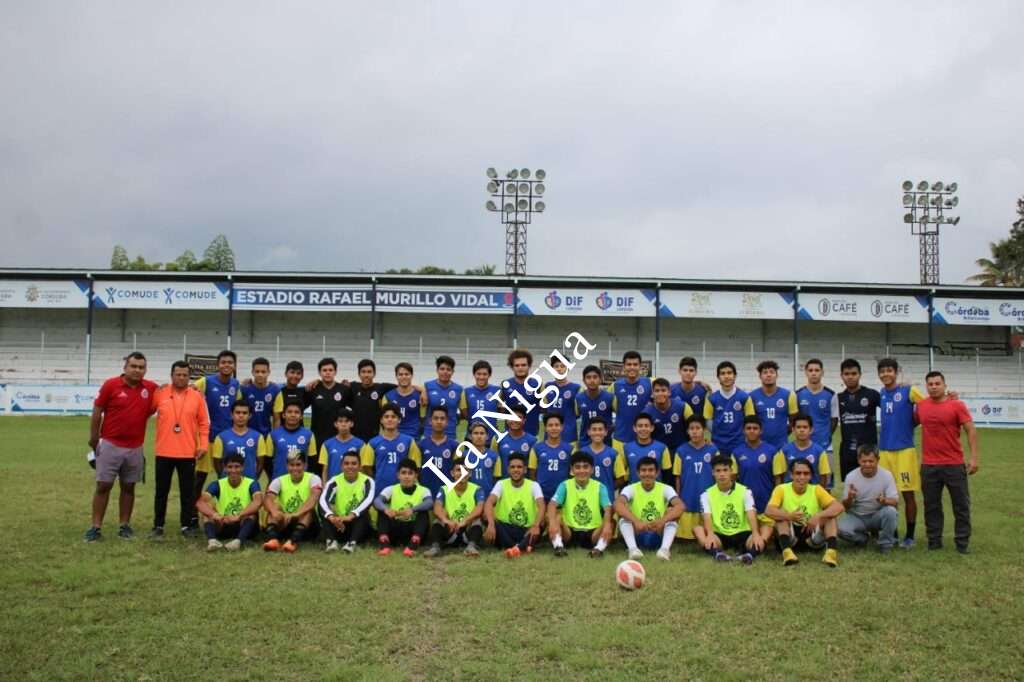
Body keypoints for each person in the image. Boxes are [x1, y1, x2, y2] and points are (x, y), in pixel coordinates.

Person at [85, 352, 158, 542]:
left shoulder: (150, 388)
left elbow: (172, 391)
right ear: (125, 367)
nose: (137, 370)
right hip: (110, 444)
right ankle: (95, 527)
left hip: (135, 447)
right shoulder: (111, 385)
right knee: (103, 485)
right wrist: (94, 437)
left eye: (141, 367)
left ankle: (124, 525)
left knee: (128, 487)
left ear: (145, 370)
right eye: (133, 366)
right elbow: (97, 410)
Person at [916, 371, 979, 554]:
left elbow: (971, 430)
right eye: (930, 384)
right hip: (929, 465)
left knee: (961, 505)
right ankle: (934, 542)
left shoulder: (957, 405)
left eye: (937, 383)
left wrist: (974, 458)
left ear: (945, 385)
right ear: (926, 386)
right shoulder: (921, 406)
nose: (934, 387)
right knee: (931, 505)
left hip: (954, 464)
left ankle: (962, 543)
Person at [151, 360, 210, 538]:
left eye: (185, 375)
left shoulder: (196, 395)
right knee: (161, 491)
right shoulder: (160, 393)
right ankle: (158, 525)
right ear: (172, 375)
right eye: (178, 374)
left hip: (187, 452)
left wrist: (203, 445)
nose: (182, 378)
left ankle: (186, 525)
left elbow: (204, 423)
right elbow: (145, 410)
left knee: (187, 492)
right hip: (163, 451)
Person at [876, 358, 925, 549]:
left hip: (905, 450)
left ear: (896, 372)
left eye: (889, 370)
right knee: (888, 495)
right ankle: (893, 533)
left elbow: (928, 406)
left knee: (907, 494)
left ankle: (910, 536)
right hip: (885, 452)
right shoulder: (881, 393)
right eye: (882, 371)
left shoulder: (908, 390)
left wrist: (913, 422)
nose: (886, 374)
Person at [766, 458, 844, 567]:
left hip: (811, 536)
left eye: (806, 473)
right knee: (781, 517)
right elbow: (768, 511)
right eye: (798, 473)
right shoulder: (781, 489)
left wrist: (818, 515)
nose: (802, 477)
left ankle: (831, 554)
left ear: (811, 476)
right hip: (791, 536)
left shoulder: (816, 489)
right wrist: (790, 516)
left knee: (830, 517)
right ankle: (787, 553)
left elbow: (839, 507)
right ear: (791, 475)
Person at [192, 350, 242, 520]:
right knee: (200, 477)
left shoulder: (236, 385)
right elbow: (188, 390)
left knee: (225, 475)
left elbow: (239, 407)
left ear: (234, 365)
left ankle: (226, 508)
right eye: (223, 362)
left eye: (230, 362)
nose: (226, 365)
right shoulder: (205, 382)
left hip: (227, 439)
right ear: (218, 364)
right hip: (207, 438)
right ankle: (192, 514)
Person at [695, 454, 765, 564]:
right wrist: (709, 535)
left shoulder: (745, 491)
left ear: (731, 471)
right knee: (698, 529)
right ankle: (718, 554)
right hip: (720, 535)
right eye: (718, 471)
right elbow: (707, 517)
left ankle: (749, 555)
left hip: (743, 533)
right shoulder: (706, 494)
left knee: (767, 528)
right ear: (713, 473)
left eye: (725, 470)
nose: (722, 474)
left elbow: (751, 514)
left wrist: (756, 534)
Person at [615, 456, 683, 561]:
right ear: (638, 473)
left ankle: (664, 550)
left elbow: (680, 506)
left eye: (651, 470)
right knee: (623, 518)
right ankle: (633, 550)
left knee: (672, 514)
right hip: (638, 532)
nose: (647, 473)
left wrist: (661, 521)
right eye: (643, 470)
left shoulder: (666, 488)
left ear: (657, 473)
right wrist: (636, 521)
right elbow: (618, 504)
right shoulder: (630, 488)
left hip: (657, 532)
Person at [547, 452, 614, 557]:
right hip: (569, 532)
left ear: (592, 469)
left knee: (610, 522)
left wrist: (606, 525)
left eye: (585, 467)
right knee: (556, 517)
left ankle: (598, 549)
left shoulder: (600, 487)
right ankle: (558, 547)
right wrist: (552, 522)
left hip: (592, 533)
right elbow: (552, 504)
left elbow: (608, 509)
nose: (581, 471)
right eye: (577, 467)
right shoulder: (565, 485)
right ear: (572, 470)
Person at [837, 446, 899, 553]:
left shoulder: (886, 475)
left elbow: (895, 501)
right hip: (857, 516)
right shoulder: (851, 477)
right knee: (839, 529)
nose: (867, 464)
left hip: (877, 515)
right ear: (858, 460)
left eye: (871, 461)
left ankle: (886, 544)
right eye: (864, 461)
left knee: (891, 512)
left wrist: (884, 501)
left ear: (877, 460)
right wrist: (850, 498)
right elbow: (845, 507)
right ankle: (862, 539)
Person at [195, 454, 262, 552]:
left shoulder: (252, 483)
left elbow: (258, 501)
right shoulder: (217, 484)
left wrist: (239, 516)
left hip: (243, 524)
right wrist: (216, 515)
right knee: (207, 511)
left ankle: (238, 542)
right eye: (230, 467)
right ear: (225, 468)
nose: (233, 470)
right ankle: (213, 541)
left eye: (237, 467)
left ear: (242, 468)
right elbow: (200, 503)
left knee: (252, 514)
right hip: (223, 523)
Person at [484, 453, 545, 557]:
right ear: (508, 469)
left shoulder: (534, 485)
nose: (516, 470)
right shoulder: (501, 484)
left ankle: (515, 548)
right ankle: (521, 547)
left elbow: (542, 506)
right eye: (512, 467)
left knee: (542, 523)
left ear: (525, 470)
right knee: (488, 518)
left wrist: (535, 525)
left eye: (519, 467)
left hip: (526, 529)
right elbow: (489, 502)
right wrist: (490, 524)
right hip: (505, 528)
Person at [262, 451, 324, 553]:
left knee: (308, 511)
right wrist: (275, 512)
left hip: (308, 525)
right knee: (275, 507)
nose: (295, 468)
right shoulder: (279, 480)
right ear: (287, 466)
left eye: (298, 465)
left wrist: (296, 514)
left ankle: (293, 542)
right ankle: (273, 540)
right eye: (292, 465)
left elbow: (313, 498)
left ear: (304, 465)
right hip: (286, 522)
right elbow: (267, 499)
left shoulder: (314, 478)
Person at [424, 459, 485, 557]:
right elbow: (437, 507)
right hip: (450, 529)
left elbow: (479, 508)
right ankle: (435, 547)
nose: (462, 473)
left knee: (477, 520)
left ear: (470, 474)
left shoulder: (477, 489)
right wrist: (446, 520)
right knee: (438, 521)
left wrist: (465, 521)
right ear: (452, 473)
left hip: (467, 529)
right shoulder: (444, 489)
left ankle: (471, 547)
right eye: (458, 470)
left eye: (466, 470)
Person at [731, 415, 777, 548]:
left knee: (768, 532)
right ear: (743, 431)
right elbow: (733, 480)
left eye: (755, 428)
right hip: (746, 504)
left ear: (761, 431)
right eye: (748, 428)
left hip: (766, 501)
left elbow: (778, 479)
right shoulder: (737, 452)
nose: (752, 431)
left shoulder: (772, 451)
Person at [673, 415, 719, 542]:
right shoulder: (681, 451)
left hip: (708, 494)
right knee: (686, 539)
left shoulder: (713, 450)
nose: (694, 431)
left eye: (697, 428)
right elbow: (677, 476)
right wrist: (678, 496)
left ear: (704, 430)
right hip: (688, 495)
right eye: (691, 428)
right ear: (687, 431)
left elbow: (718, 474)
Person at [319, 450, 375, 553]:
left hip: (356, 524)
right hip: (338, 523)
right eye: (346, 463)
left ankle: (351, 543)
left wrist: (351, 516)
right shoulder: (334, 481)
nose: (350, 466)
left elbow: (368, 499)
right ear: (341, 466)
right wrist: (332, 517)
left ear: (359, 466)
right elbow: (323, 500)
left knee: (363, 513)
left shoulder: (368, 481)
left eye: (354, 463)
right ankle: (332, 542)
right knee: (323, 510)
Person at [374, 458, 433, 557]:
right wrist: (386, 509)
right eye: (403, 473)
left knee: (423, 513)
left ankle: (413, 545)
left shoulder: (424, 490)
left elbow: (430, 502)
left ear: (416, 476)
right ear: (398, 475)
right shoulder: (391, 489)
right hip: (396, 529)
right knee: (382, 512)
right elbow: (377, 501)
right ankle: (385, 545)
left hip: (412, 530)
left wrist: (412, 510)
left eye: (410, 473)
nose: (406, 476)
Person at [835, 359, 880, 481]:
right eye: (847, 374)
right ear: (841, 376)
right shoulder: (838, 398)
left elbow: (890, 407)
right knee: (850, 487)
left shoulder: (872, 395)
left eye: (854, 374)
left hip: (869, 451)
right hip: (847, 451)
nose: (850, 377)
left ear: (860, 374)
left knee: (872, 485)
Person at [360, 403, 421, 491]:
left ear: (399, 420)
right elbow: (366, 466)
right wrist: (376, 480)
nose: (390, 419)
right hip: (380, 489)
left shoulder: (409, 441)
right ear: (381, 420)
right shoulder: (373, 443)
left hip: (403, 490)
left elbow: (416, 466)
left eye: (393, 417)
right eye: (386, 417)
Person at [796, 358, 837, 486]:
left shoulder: (831, 394)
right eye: (811, 370)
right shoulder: (798, 394)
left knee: (826, 484)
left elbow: (834, 419)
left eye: (817, 370)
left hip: (825, 446)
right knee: (804, 482)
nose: (814, 373)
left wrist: (826, 435)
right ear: (806, 373)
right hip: (803, 446)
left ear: (822, 373)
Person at [304, 357, 348, 475]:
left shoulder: (343, 390)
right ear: (320, 372)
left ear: (335, 372)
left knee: (337, 467)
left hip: (337, 436)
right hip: (317, 436)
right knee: (316, 470)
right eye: (324, 370)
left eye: (330, 370)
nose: (327, 372)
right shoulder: (313, 389)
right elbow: (298, 406)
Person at [744, 360, 798, 450]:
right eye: (765, 372)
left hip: (781, 445)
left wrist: (782, 433)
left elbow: (794, 420)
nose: (768, 375)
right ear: (760, 376)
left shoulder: (788, 395)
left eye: (772, 372)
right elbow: (749, 422)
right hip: (759, 446)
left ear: (777, 375)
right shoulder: (752, 397)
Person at [341, 358, 397, 441]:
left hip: (374, 436)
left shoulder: (381, 388)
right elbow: (334, 386)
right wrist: (316, 382)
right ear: (359, 374)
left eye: (369, 372)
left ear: (374, 374)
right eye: (363, 372)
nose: (366, 375)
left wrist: (422, 391)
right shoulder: (353, 387)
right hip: (355, 436)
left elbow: (403, 386)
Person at [259, 401, 317, 480]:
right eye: (289, 412)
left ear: (301, 416)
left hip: (301, 481)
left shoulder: (309, 435)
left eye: (296, 412)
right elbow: (267, 461)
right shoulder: (273, 435)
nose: (293, 415)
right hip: (278, 480)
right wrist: (274, 477)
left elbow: (312, 460)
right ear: (283, 415)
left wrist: (305, 479)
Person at [703, 361, 749, 457]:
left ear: (735, 376)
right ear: (718, 377)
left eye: (729, 373)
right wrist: (719, 434)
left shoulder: (744, 397)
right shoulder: (712, 399)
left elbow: (749, 420)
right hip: (718, 444)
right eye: (723, 373)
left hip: (739, 444)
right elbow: (708, 421)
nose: (726, 376)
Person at [773, 414, 832, 488]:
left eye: (805, 427)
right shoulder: (784, 451)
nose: (802, 430)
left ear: (811, 430)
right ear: (793, 430)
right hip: (790, 496)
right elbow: (779, 477)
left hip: (811, 496)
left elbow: (823, 477)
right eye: (798, 427)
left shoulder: (820, 452)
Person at [613, 414, 671, 486]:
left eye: (646, 426)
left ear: (652, 428)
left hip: (656, 492)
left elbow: (667, 474)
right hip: (634, 492)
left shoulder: (662, 448)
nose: (643, 429)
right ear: (634, 428)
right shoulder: (626, 448)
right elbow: (622, 473)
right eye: (640, 426)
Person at [610, 350, 652, 446]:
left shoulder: (649, 383)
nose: (632, 367)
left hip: (644, 439)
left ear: (640, 366)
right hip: (620, 439)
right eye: (629, 364)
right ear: (624, 367)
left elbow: (666, 389)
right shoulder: (615, 386)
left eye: (635, 364)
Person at [210, 402, 261, 479]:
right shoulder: (221, 437)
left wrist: (254, 478)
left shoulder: (258, 437)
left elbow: (261, 463)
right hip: (228, 483)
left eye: (244, 413)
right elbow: (217, 462)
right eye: (237, 412)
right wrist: (223, 478)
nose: (241, 415)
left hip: (250, 482)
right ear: (231, 415)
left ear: (249, 416)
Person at [528, 413, 573, 502]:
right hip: (542, 496)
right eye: (550, 425)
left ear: (562, 427)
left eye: (557, 425)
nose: (554, 428)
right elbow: (532, 473)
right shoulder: (537, 448)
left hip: (562, 495)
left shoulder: (570, 449)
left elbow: (572, 475)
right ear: (545, 428)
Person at [417, 406, 459, 499]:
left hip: (447, 492)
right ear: (430, 421)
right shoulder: (421, 445)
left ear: (447, 422)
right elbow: (417, 470)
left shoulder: (454, 445)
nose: (439, 421)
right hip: (425, 492)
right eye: (436, 418)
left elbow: (457, 472)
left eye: (442, 419)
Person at [642, 377, 692, 454]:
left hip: (681, 450)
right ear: (652, 394)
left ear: (669, 392)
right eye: (657, 391)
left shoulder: (683, 407)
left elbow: (693, 427)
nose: (660, 393)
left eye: (663, 390)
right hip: (659, 451)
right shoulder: (647, 412)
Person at [578, 418, 621, 500]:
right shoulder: (581, 453)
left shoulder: (613, 453)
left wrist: (609, 488)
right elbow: (575, 476)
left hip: (607, 499)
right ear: (588, 432)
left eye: (600, 429)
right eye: (594, 429)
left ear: (606, 432)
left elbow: (620, 478)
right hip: (586, 497)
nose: (597, 432)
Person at [317, 406, 365, 481]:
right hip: (333, 487)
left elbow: (362, 470)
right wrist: (325, 488)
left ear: (352, 424)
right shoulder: (327, 445)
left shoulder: (360, 444)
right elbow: (325, 470)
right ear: (335, 424)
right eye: (340, 421)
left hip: (353, 486)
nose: (343, 424)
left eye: (346, 421)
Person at [543, 354, 581, 445]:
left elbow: (578, 413)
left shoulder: (576, 388)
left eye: (563, 366)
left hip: (569, 436)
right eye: (556, 366)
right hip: (549, 436)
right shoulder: (547, 387)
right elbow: (544, 410)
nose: (559, 369)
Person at [423, 355, 463, 440]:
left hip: (450, 434)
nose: (445, 372)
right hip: (430, 433)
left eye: (448, 369)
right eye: (442, 369)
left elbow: (464, 411)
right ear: (437, 370)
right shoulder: (427, 386)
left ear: (453, 372)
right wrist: (422, 390)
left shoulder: (459, 389)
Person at [503, 349, 541, 436]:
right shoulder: (505, 385)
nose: (520, 368)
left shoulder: (537, 385)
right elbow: (498, 408)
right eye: (517, 365)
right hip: (509, 436)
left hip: (532, 435)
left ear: (529, 366)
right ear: (512, 367)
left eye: (523, 365)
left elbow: (545, 409)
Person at [240, 357, 280, 437]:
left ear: (268, 372)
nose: (260, 374)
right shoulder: (244, 389)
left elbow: (277, 419)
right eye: (257, 371)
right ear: (252, 372)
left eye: (263, 372)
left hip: (266, 435)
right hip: (247, 435)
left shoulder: (275, 390)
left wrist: (275, 437)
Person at [494, 404, 537, 477]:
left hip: (523, 484)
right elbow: (493, 462)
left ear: (524, 421)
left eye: (519, 417)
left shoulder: (532, 441)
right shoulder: (498, 438)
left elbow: (533, 468)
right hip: (503, 483)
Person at [575, 364, 614, 444]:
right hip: (585, 442)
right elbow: (575, 416)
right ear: (584, 380)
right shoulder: (578, 398)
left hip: (606, 444)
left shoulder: (610, 397)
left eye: (595, 377)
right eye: (588, 377)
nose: (592, 380)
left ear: (600, 379)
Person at [384, 362, 423, 438]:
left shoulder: (419, 395)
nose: (404, 377)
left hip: (414, 437)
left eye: (406, 374)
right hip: (395, 437)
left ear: (411, 376)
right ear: (396, 376)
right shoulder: (388, 396)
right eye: (400, 374)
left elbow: (424, 418)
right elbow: (384, 419)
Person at [461, 359, 500, 427]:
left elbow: (501, 411)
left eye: (484, 374)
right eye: (478, 374)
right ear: (474, 374)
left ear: (489, 375)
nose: (481, 377)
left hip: (492, 435)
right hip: (472, 435)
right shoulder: (466, 392)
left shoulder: (497, 391)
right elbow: (465, 415)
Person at [465, 421, 500, 494]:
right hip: (469, 498)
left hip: (488, 498)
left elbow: (497, 480)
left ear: (487, 436)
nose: (479, 436)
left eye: (482, 433)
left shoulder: (494, 456)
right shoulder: (464, 456)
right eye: (475, 433)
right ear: (470, 436)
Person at [271, 360, 306, 429]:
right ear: (286, 374)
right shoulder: (277, 392)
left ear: (302, 376)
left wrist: (317, 381)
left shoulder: (305, 392)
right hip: (282, 434)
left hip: (300, 435)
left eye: (298, 373)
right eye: (292, 372)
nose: (295, 376)